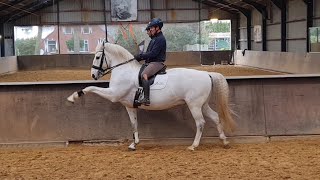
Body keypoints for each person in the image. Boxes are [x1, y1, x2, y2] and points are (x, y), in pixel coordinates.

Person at [134, 18, 167, 106]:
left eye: (151, 28)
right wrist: (140, 57)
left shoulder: (160, 39)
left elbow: (153, 54)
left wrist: (141, 56)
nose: (150, 30)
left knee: (144, 74)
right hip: (151, 62)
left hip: (157, 63)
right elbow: (149, 53)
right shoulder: (154, 39)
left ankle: (146, 99)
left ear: (157, 28)